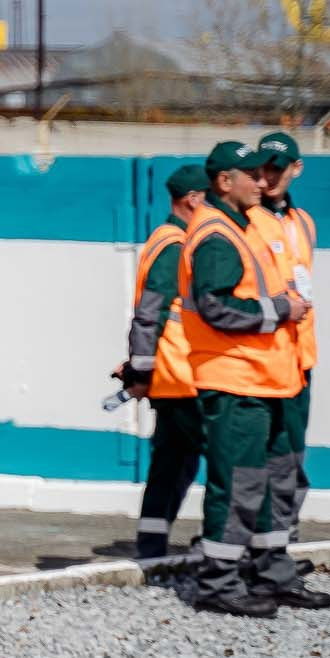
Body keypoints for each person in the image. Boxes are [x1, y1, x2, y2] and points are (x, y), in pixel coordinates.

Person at [178, 141, 330, 617]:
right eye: (252, 175)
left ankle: (272, 572)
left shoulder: (246, 226)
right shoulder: (219, 234)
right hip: (237, 378)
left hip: (269, 376)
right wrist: (281, 309)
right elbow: (217, 306)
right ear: (226, 182)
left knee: (272, 481)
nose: (262, 181)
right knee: (239, 484)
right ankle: (218, 582)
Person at [116, 165, 209, 559]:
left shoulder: (166, 240)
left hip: (171, 376)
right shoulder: (177, 246)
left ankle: (152, 543)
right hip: (183, 375)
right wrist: (140, 370)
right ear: (193, 199)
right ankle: (221, 542)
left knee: (172, 463)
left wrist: (142, 370)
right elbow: (152, 313)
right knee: (223, 459)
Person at [251, 130, 317, 557]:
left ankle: (282, 544)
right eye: (263, 167)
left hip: (300, 357)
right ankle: (259, 549)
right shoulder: (248, 219)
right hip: (261, 359)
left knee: (292, 456)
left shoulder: (304, 223)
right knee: (259, 460)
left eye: (278, 167)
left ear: (297, 168)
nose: (269, 175)